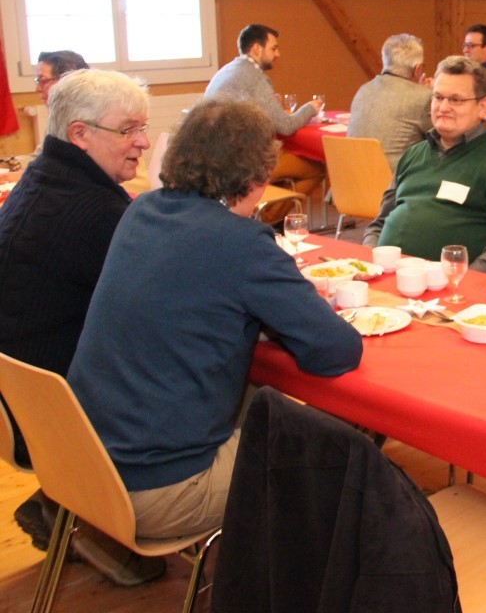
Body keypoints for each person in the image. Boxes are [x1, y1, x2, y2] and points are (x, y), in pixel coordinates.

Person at [67, 100, 362, 541]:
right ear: (258, 176)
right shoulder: (242, 243)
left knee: (261, 400)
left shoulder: (141, 211)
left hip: (82, 464)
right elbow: (336, 351)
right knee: (334, 439)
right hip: (161, 489)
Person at [0, 69, 164, 585]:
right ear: (80, 134)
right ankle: (104, 517)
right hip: (66, 424)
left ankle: (66, 506)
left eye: (143, 128)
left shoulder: (39, 180)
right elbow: (164, 311)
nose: (142, 142)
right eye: (129, 129)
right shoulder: (97, 211)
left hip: (24, 409)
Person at [362, 56, 486, 277]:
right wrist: (370, 264)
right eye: (438, 97)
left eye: (456, 100)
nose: (443, 107)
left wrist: (464, 280)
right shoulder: (412, 155)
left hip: (458, 290)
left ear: (483, 106)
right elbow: (379, 223)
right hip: (387, 279)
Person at [202, 23, 325, 198]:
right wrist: (310, 108)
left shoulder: (226, 71)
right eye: (273, 48)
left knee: (282, 166)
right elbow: (286, 126)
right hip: (241, 164)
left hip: (214, 159)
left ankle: (262, 207)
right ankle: (269, 212)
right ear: (256, 49)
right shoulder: (256, 78)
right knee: (316, 168)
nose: (278, 54)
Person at [347, 33, 433, 172]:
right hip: (394, 182)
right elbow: (441, 141)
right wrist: (437, 96)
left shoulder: (363, 90)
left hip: (350, 180)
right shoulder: (423, 97)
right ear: (417, 69)